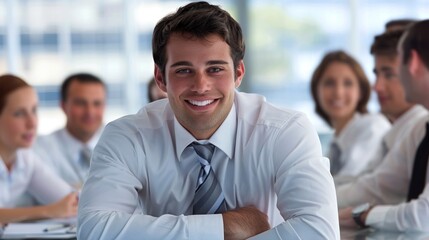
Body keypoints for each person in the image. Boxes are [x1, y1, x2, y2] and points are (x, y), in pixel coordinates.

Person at [78, 2, 339, 239]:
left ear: (238, 73)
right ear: (160, 78)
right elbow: (93, 229)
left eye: (215, 69)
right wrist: (224, 227)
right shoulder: (128, 137)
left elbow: (320, 231)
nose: (201, 86)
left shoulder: (285, 131)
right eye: (183, 70)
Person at [337, 20, 429, 232]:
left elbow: (424, 216)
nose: (376, 86)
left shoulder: (415, 125)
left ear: (411, 62)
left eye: (391, 72)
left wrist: (364, 215)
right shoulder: (420, 128)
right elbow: (377, 185)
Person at [0, 74, 78, 223]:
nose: (32, 123)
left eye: (34, 110)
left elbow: (69, 199)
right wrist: (49, 211)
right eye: (19, 113)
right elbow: (59, 208)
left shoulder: (25, 158)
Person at [310, 50, 391, 177]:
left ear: (361, 92)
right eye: (329, 83)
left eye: (348, 83)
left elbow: (350, 181)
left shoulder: (373, 127)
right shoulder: (335, 144)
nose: (338, 92)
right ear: (316, 90)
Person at [33, 73, 106, 188]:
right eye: (81, 103)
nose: (90, 112)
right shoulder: (39, 149)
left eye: (97, 104)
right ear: (63, 106)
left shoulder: (120, 146)